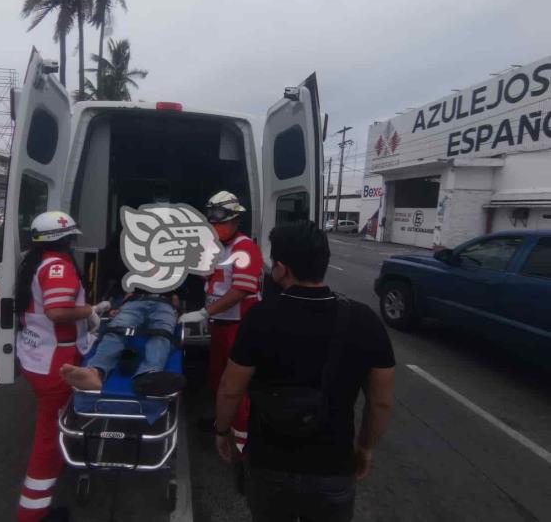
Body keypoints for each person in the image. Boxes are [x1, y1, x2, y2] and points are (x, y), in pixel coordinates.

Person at [215, 221, 396, 522]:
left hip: (269, 464)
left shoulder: (260, 317)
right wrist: (365, 447)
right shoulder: (364, 321)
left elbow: (230, 388)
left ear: (282, 269)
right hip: (333, 466)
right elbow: (381, 401)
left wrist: (222, 431)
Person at [14, 211, 109, 522]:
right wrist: (91, 311)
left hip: (37, 357)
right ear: (64, 239)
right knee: (48, 442)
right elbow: (57, 311)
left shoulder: (36, 263)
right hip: (56, 362)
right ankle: (32, 515)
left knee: (52, 431)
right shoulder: (58, 266)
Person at [179, 190, 263, 454]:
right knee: (217, 379)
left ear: (235, 221)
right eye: (212, 223)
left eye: (221, 223)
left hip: (240, 328)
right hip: (220, 325)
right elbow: (211, 281)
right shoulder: (218, 248)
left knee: (236, 387)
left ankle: (242, 444)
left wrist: (204, 313)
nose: (215, 227)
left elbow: (240, 290)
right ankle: (222, 424)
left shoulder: (244, 248)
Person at [61, 288, 186, 397]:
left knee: (162, 333)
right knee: (117, 330)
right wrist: (115, 306)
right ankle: (95, 371)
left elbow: (177, 298)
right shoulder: (134, 270)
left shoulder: (174, 274)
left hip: (165, 303)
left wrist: (176, 310)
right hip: (134, 301)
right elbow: (121, 291)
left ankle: (149, 375)